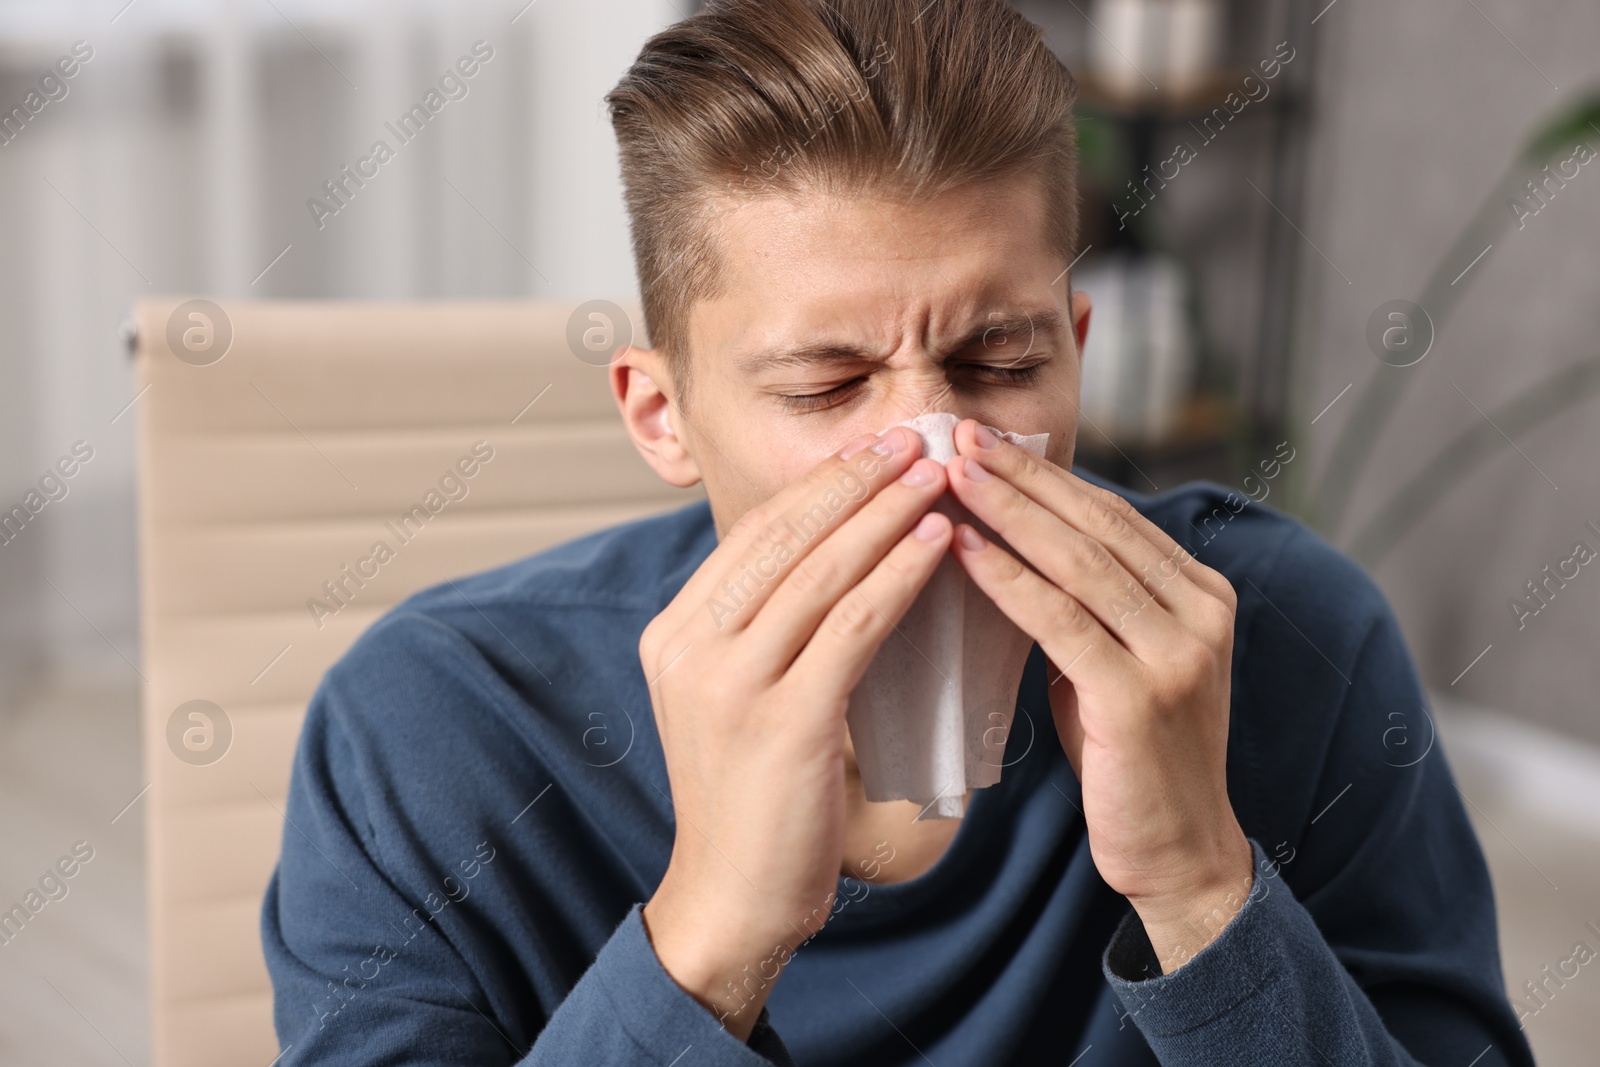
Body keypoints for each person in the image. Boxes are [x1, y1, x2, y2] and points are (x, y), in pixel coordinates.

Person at [261, 1, 1536, 1063]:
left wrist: (1203, 884)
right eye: (825, 386)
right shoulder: (430, 726)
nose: (934, 457)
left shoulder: (1287, 634)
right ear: (663, 413)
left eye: (998, 357)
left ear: (1076, 357)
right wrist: (711, 936)